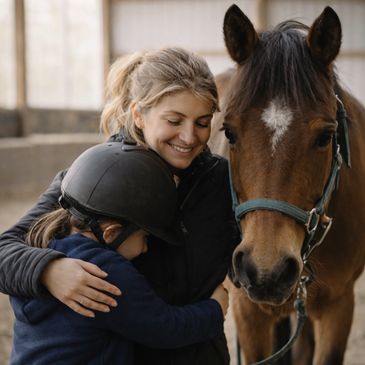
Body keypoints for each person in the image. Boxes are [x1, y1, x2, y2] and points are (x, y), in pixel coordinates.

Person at [0, 47, 239, 365]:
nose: (189, 136)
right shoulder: (93, 176)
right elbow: (5, 250)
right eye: (174, 120)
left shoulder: (222, 180)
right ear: (139, 114)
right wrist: (49, 270)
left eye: (203, 122)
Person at [10, 142, 229, 364]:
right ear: (112, 233)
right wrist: (214, 310)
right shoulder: (104, 271)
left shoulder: (41, 242)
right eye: (145, 237)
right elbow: (163, 327)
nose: (145, 248)